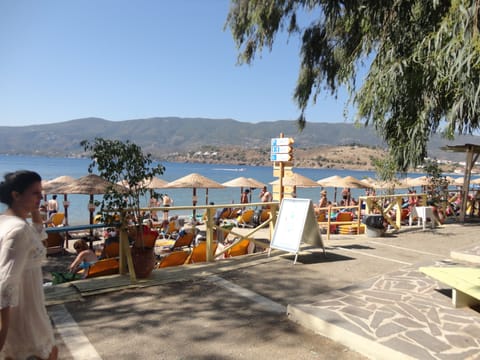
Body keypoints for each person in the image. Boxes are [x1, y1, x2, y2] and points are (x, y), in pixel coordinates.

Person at [0, 170, 58, 359]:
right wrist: (3, 333)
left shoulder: (6, 222)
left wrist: (34, 210)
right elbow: (5, 286)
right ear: (16, 195)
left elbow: (38, 234)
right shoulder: (18, 230)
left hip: (29, 312)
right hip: (25, 317)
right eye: (35, 193)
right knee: (49, 353)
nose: (41, 197)